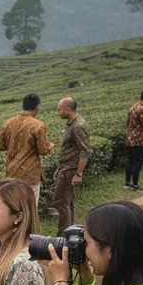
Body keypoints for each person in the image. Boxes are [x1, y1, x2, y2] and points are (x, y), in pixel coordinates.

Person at [0, 93, 54, 209]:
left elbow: (0, 146)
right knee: (30, 208)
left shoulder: (8, 123)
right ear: (37, 107)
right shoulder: (38, 126)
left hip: (11, 172)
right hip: (30, 174)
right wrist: (50, 146)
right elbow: (43, 150)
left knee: (14, 207)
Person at [50, 98, 93, 234]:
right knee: (67, 202)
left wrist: (78, 174)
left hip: (70, 170)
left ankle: (64, 234)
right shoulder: (72, 123)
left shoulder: (77, 126)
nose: (58, 112)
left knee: (61, 202)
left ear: (67, 109)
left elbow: (85, 151)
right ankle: (70, 231)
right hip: (65, 167)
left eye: (59, 109)